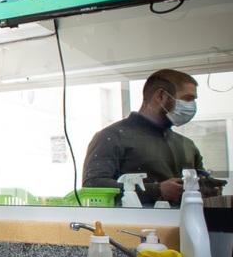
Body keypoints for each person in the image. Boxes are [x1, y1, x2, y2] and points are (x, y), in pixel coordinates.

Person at [82, 69, 221, 205]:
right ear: (160, 96)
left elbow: (200, 183)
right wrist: (156, 190)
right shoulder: (112, 137)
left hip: (186, 218)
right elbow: (92, 185)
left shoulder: (187, 144)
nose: (192, 107)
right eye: (187, 99)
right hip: (133, 220)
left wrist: (207, 189)